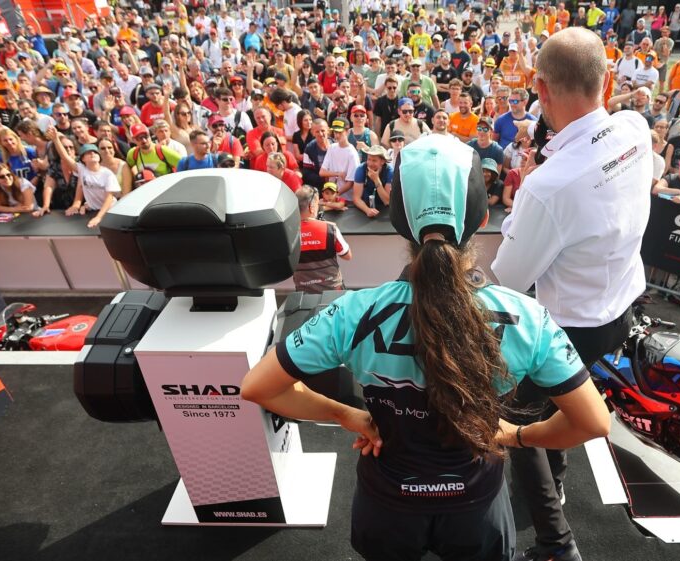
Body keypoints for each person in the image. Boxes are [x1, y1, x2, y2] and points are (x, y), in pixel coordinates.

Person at [241, 134, 610, 561]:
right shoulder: (527, 317)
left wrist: (347, 415)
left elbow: (257, 387)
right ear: (480, 217)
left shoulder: (352, 311)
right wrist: (519, 436)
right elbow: (593, 422)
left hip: (387, 504)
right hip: (477, 509)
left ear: (400, 221)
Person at [492, 28, 650, 561]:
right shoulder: (636, 128)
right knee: (562, 406)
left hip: (567, 329)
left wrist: (521, 209)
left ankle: (556, 542)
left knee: (518, 422)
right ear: (607, 78)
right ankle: (557, 475)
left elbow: (509, 277)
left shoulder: (547, 186)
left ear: (540, 88)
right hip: (621, 312)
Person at [292, 186, 351, 292]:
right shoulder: (330, 228)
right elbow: (347, 256)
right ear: (311, 207)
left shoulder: (289, 232)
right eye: (317, 204)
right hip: (332, 290)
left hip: (304, 292)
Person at [67, 144, 120, 229]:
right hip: (93, 210)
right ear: (83, 159)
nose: (92, 154)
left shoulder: (108, 174)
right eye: (88, 153)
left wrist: (98, 217)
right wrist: (56, 140)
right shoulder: (82, 170)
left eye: (95, 152)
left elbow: (109, 198)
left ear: (99, 157)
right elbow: (65, 157)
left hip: (110, 209)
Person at [351, 144, 392, 217]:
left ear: (382, 161)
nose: (370, 163)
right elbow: (356, 198)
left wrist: (376, 180)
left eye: (374, 160)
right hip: (364, 207)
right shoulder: (361, 169)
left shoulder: (390, 172)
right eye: (369, 159)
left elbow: (387, 201)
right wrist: (367, 210)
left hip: (384, 209)